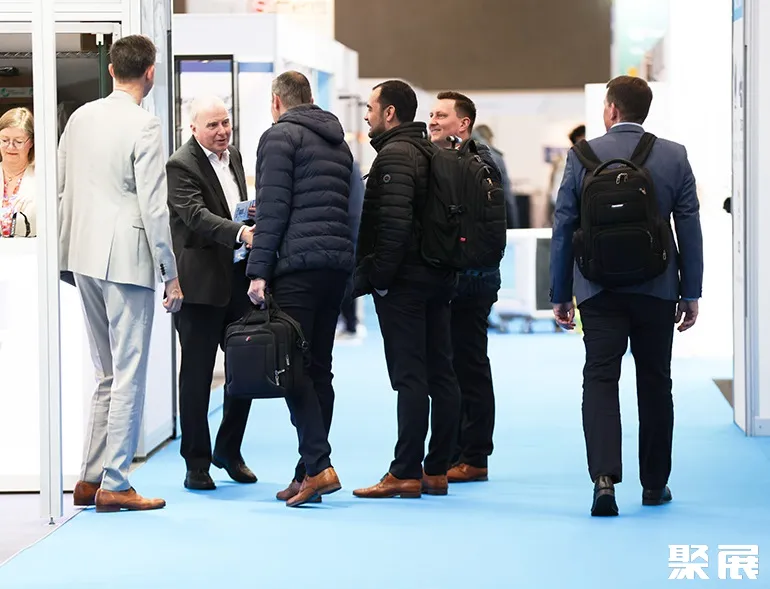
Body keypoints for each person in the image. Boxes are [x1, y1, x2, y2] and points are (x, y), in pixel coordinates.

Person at [550, 75, 703, 517]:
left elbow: (564, 226)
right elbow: (688, 227)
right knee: (655, 380)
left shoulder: (582, 155)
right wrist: (690, 291)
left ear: (612, 109)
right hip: (657, 288)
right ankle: (654, 484)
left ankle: (603, 481)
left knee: (600, 377)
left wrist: (561, 293)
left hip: (597, 289)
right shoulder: (674, 155)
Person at [59, 34, 184, 512]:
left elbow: (63, 188)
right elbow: (154, 206)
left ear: (111, 70)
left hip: (82, 255)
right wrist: (170, 272)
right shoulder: (145, 124)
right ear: (150, 73)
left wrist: (66, 254)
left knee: (107, 373)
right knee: (128, 373)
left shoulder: (79, 117)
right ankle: (115, 481)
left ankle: (90, 479)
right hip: (126, 260)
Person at [246, 71, 353, 507]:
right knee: (319, 369)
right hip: (335, 267)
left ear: (276, 102)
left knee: (291, 367)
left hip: (297, 269)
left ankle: (319, 465)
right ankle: (307, 472)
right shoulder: (338, 142)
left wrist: (258, 271)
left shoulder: (278, 137)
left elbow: (272, 210)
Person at [352, 80, 461, 499]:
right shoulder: (432, 152)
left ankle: (405, 471)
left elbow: (393, 228)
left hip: (406, 285)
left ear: (390, 113)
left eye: (370, 107)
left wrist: (377, 279)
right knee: (441, 373)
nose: (366, 115)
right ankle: (436, 470)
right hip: (437, 278)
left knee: (411, 377)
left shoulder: (396, 155)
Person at [166, 95, 257, 491]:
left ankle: (228, 450)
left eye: (225, 122)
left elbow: (231, 205)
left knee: (247, 370)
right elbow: (196, 216)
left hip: (237, 279)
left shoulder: (233, 156)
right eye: (212, 125)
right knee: (197, 377)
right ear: (193, 129)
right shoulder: (180, 165)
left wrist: (248, 215)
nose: (222, 131)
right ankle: (196, 462)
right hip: (200, 287)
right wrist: (241, 231)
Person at [428, 91, 501, 484]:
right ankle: (460, 452)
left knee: (468, 366)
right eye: (432, 114)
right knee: (458, 365)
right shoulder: (469, 159)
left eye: (442, 115)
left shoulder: (472, 163)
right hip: (469, 278)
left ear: (464, 123)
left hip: (469, 281)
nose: (433, 120)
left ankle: (473, 456)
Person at [337, 159, 366, 339]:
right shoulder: (350, 166)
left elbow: (355, 206)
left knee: (348, 279)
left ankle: (350, 323)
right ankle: (349, 322)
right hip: (349, 228)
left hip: (349, 229)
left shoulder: (350, 167)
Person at [472, 123, 517, 229]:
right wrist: (515, 225)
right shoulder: (495, 157)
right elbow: (507, 197)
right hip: (494, 221)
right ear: (489, 137)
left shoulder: (464, 154)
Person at [0, 107, 36, 237]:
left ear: (31, 142)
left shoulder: (42, 177)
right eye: (4, 140)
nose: (10, 147)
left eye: (18, 141)